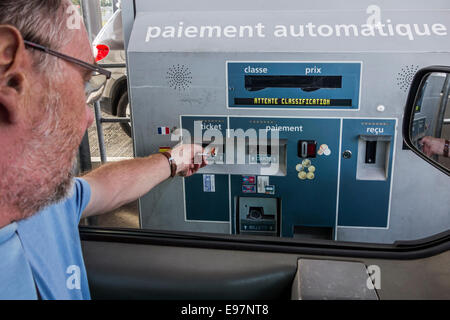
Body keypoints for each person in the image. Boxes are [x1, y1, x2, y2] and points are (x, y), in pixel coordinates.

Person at [0, 0, 206, 299]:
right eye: (84, 82)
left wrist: (172, 161)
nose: (88, 118)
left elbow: (102, 188)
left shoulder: (38, 198)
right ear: (11, 76)